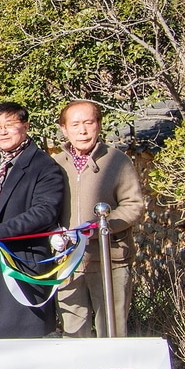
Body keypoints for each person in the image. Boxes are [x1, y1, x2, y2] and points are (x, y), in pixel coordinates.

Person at [0, 101, 66, 338]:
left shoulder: (43, 165)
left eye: (9, 125)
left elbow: (44, 212)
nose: (2, 132)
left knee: (23, 340)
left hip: (24, 261)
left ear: (26, 126)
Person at [52, 100, 146, 337]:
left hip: (109, 258)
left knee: (111, 330)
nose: (82, 131)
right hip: (68, 261)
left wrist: (100, 227)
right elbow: (46, 207)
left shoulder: (117, 161)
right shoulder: (55, 164)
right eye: (75, 125)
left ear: (99, 125)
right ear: (64, 129)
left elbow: (133, 205)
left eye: (88, 123)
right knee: (73, 330)